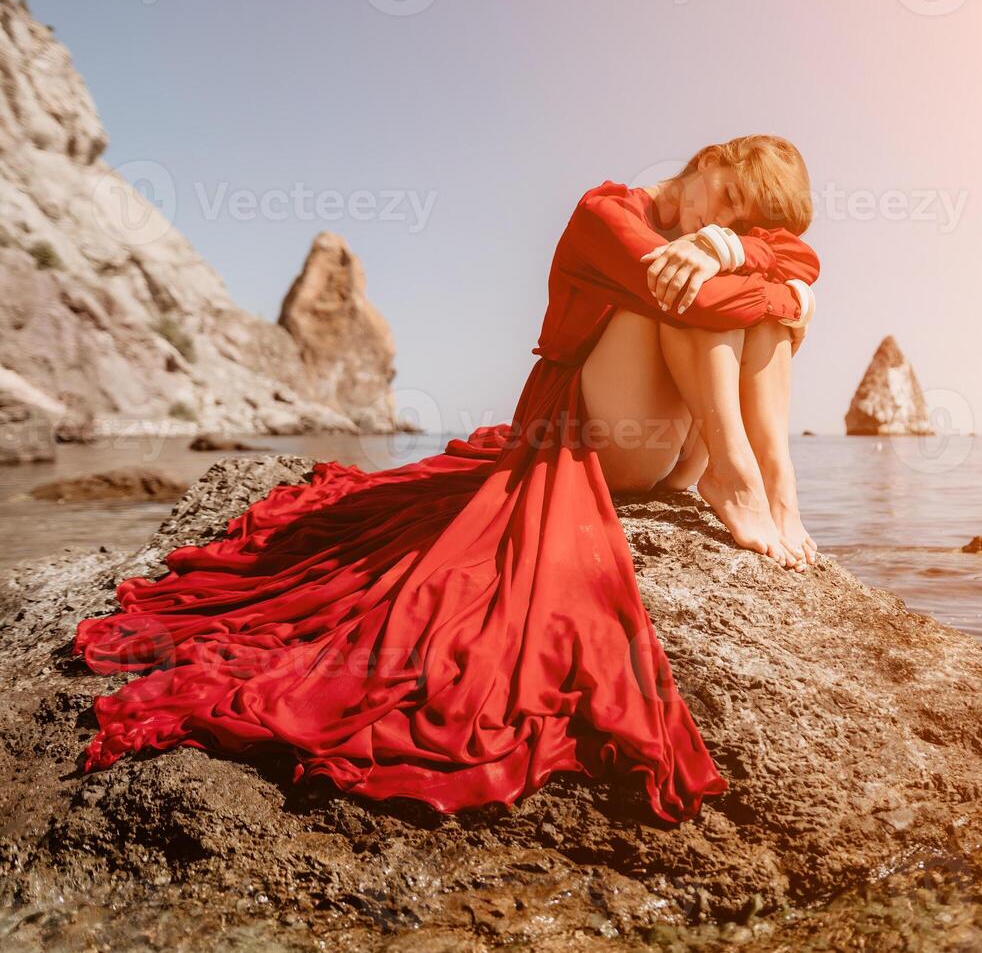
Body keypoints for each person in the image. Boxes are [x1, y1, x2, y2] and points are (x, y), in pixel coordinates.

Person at [72, 135, 822, 825]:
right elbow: (723, 292)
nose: (718, 216)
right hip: (600, 437)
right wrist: (764, 276)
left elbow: (800, 263)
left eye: (741, 218)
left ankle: (775, 488)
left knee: (752, 306)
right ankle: (735, 478)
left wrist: (744, 256)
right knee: (699, 295)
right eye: (723, 195)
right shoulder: (604, 211)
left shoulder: (714, 237)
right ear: (705, 160)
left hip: (668, 447)